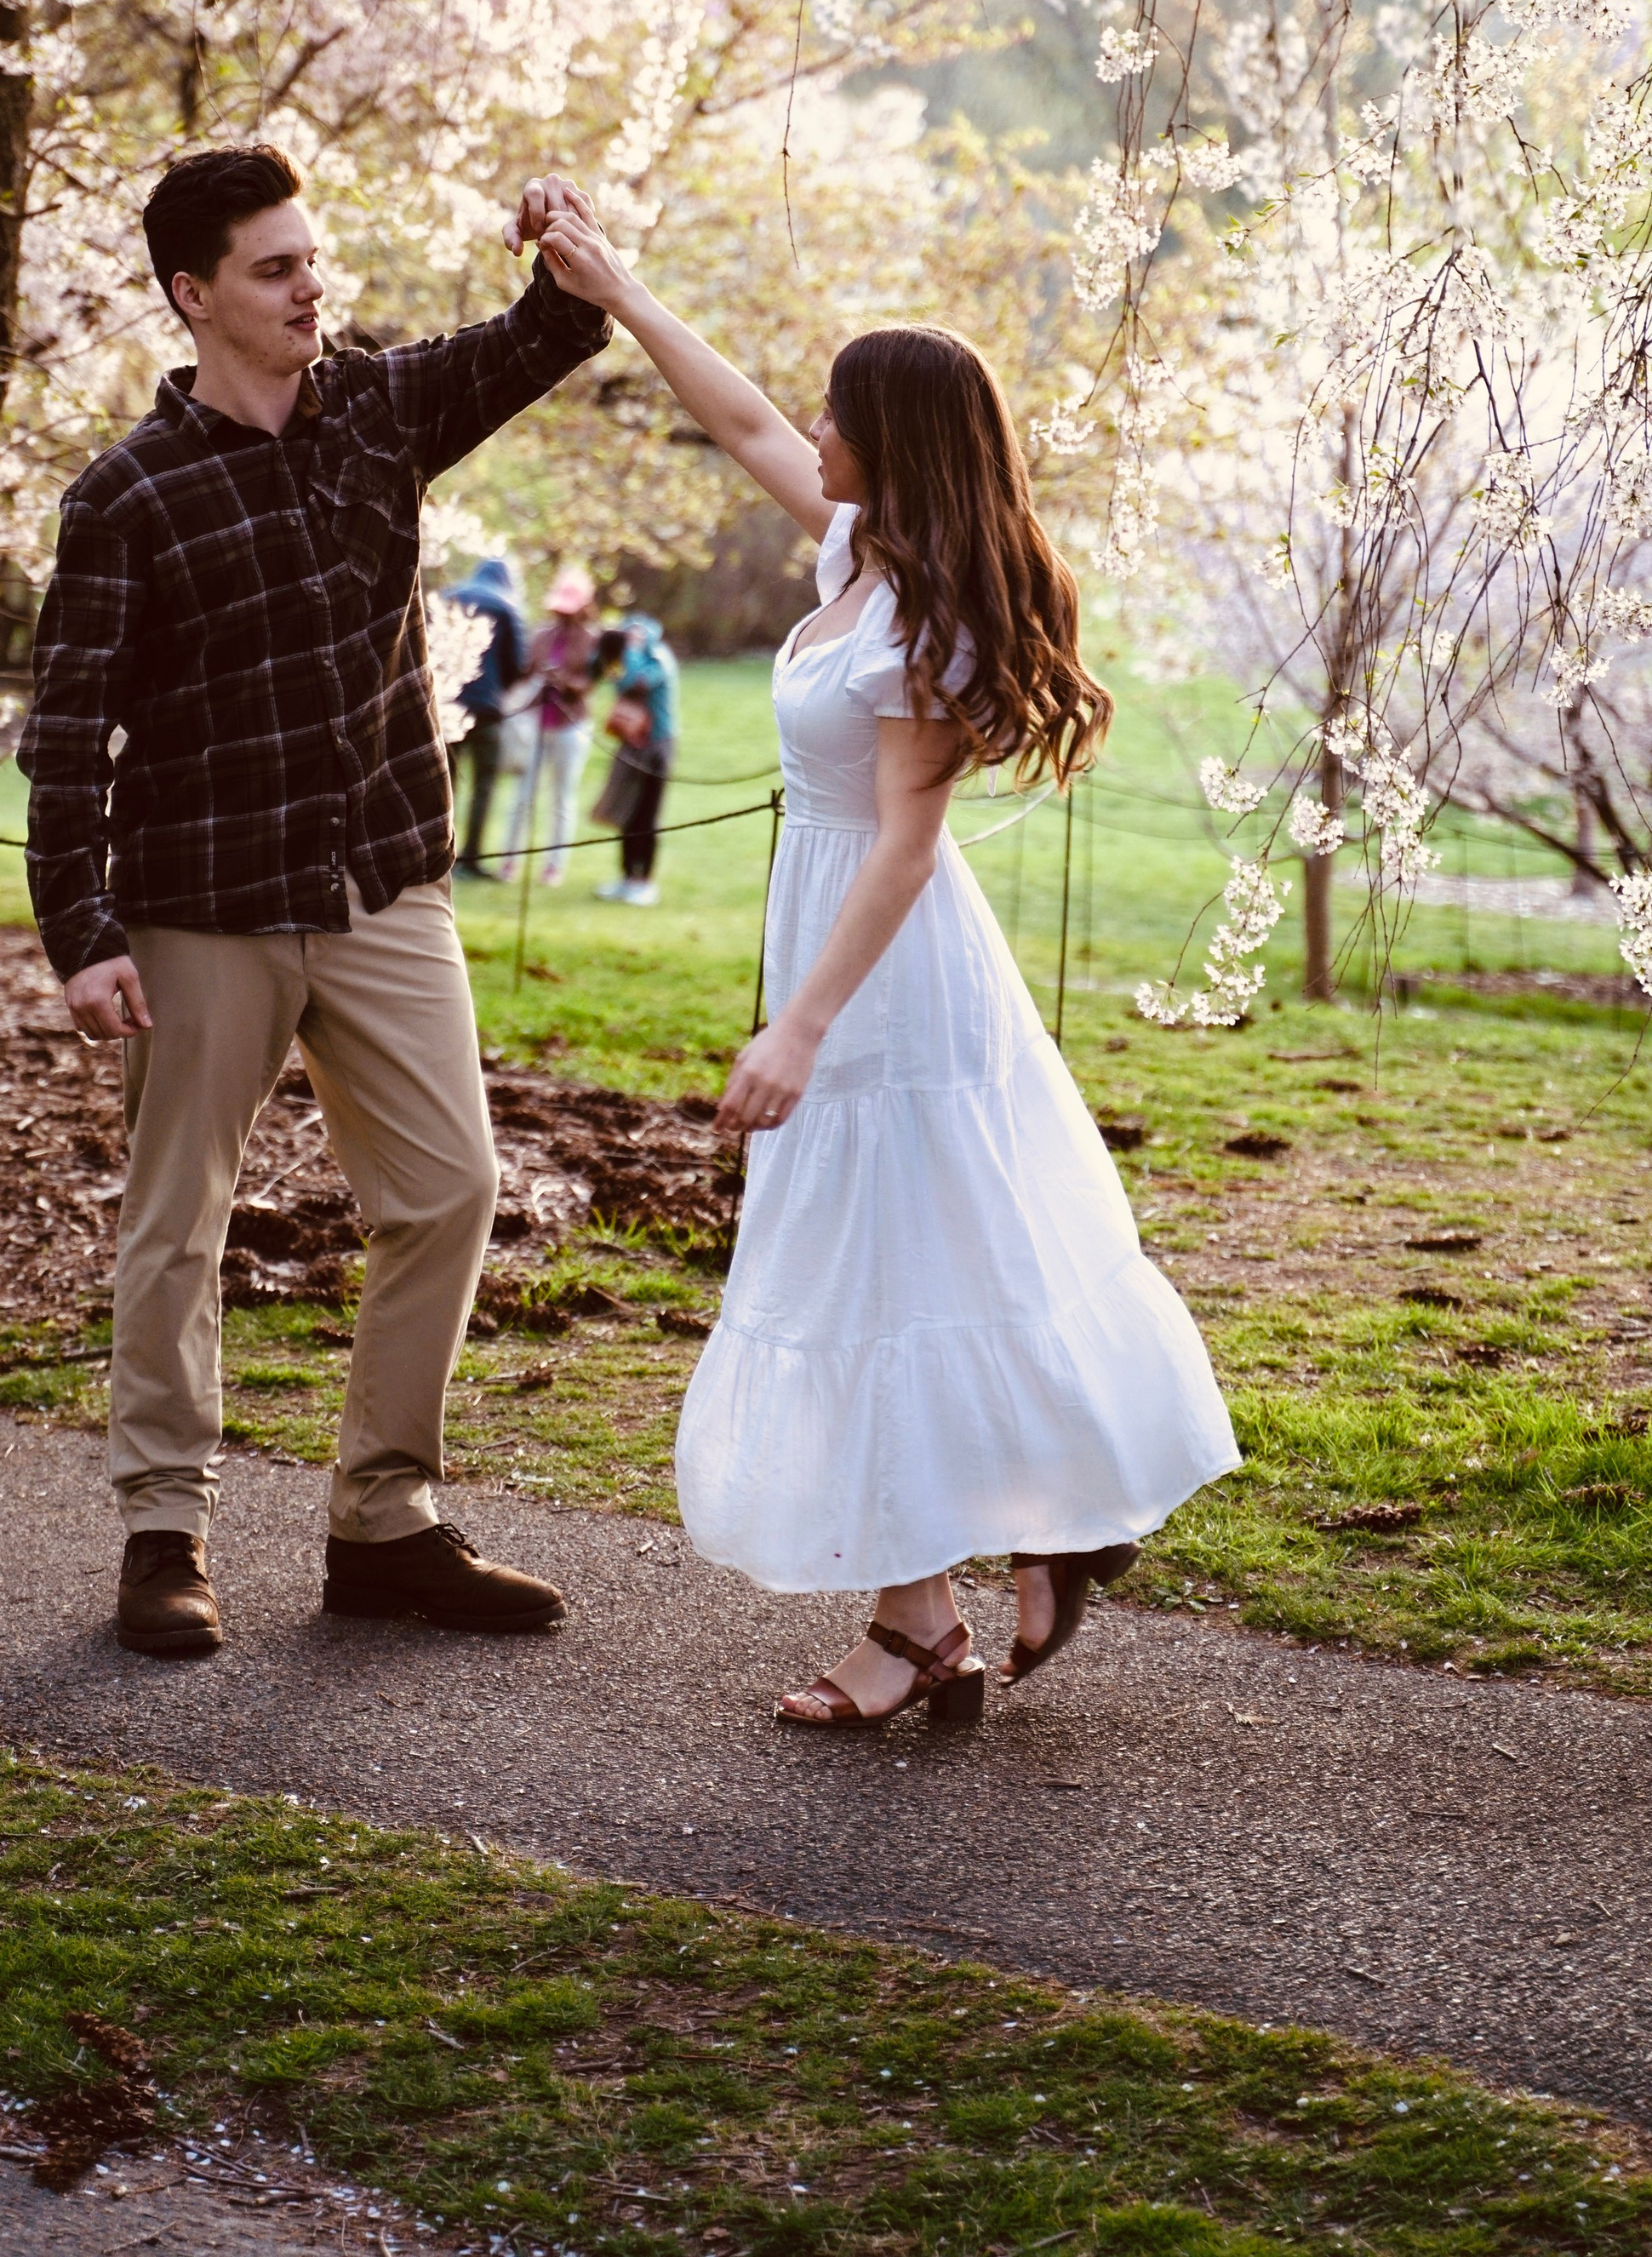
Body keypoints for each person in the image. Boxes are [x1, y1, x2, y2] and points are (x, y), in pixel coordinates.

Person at [532, 207, 1239, 1727]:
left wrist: (800, 1025)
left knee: (897, 1268)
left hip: (888, 971)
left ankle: (972, 1583)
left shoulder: (925, 618)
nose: (811, 427)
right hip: (840, 937)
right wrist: (619, 287)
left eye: (837, 412)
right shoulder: (860, 545)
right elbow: (730, 414)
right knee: (897, 1267)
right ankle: (951, 1598)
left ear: (891, 439)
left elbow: (907, 844)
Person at [19, 145, 611, 1660]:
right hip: (201, 905)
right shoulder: (125, 497)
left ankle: (385, 1520)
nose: (309, 286)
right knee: (179, 1222)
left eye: (310, 258)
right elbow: (69, 730)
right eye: (274, 267)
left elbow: (550, 330)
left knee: (452, 1188)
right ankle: (165, 1530)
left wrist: (555, 235)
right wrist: (80, 934)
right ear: (191, 293)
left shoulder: (376, 409)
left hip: (381, 884)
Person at [499, 569, 599, 888]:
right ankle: (509, 860)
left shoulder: (593, 640)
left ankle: (554, 866)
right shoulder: (541, 635)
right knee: (523, 796)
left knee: (562, 798)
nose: (562, 614)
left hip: (571, 727)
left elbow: (591, 682)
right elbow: (523, 672)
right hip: (536, 724)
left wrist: (566, 682)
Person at [446, 557, 526, 879]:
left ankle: (438, 855)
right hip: (487, 709)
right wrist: (497, 690)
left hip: (446, 704)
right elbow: (517, 664)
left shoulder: (450, 596)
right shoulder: (508, 606)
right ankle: (471, 857)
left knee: (444, 785)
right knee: (484, 784)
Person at [593, 612, 677, 906]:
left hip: (656, 746)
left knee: (647, 815)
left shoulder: (658, 657)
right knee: (627, 813)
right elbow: (611, 675)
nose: (631, 638)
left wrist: (630, 651)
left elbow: (636, 683)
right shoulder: (628, 657)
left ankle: (645, 882)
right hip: (631, 743)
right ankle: (627, 877)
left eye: (637, 634)